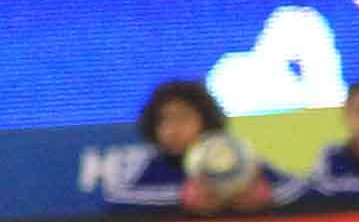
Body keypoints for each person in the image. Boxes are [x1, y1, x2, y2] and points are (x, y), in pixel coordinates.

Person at [100, 77, 298, 213]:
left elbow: (296, 189)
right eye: (163, 121)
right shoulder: (156, 167)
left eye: (182, 119)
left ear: (206, 120)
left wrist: (266, 195)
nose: (171, 130)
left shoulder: (234, 158)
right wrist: (182, 198)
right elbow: (117, 202)